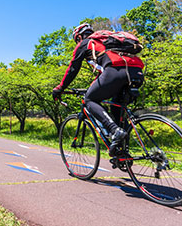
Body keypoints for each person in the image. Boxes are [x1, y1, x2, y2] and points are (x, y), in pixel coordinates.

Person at [52, 23, 145, 156]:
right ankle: (122, 151)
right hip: (137, 72)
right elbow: (104, 71)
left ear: (78, 37)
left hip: (116, 72)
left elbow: (73, 69)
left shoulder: (85, 43)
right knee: (116, 108)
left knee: (89, 99)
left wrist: (60, 88)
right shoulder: (107, 42)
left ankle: (115, 131)